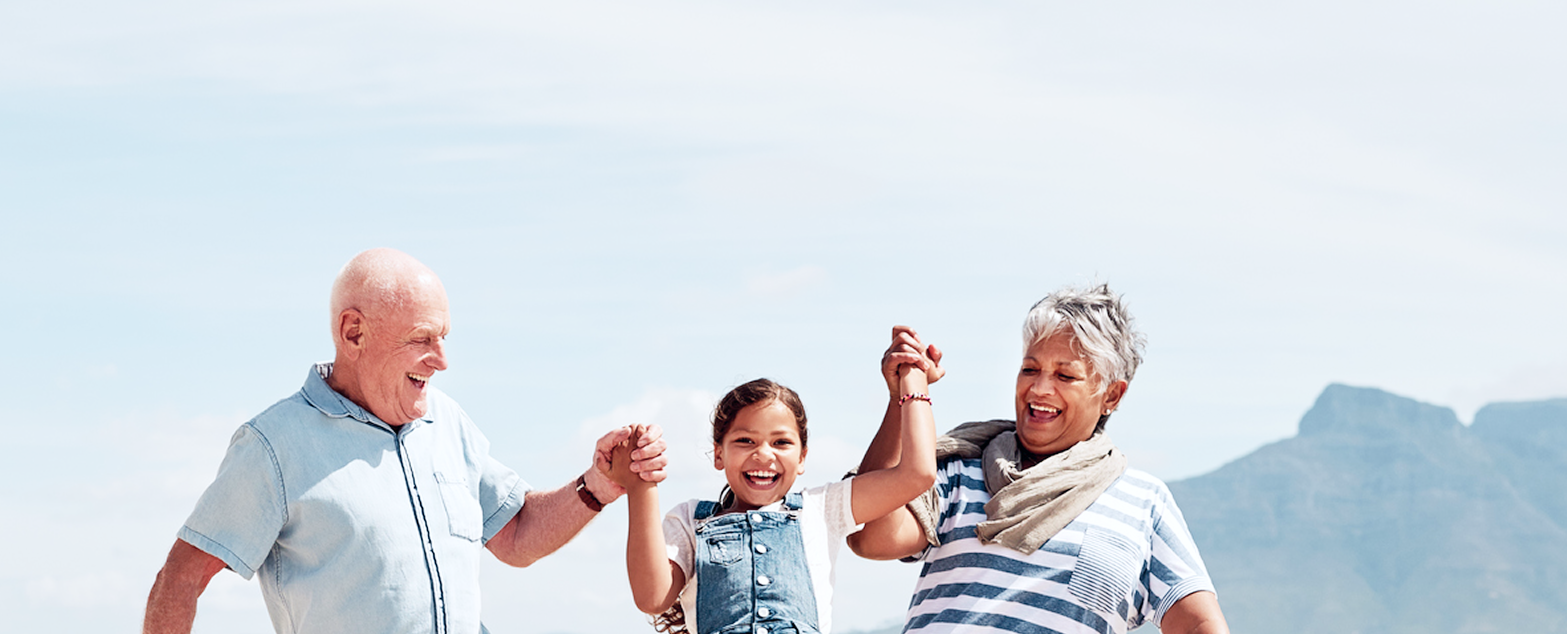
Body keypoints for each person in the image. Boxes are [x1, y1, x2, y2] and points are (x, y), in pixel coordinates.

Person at [142, 248, 673, 634]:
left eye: (444, 338)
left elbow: (516, 535)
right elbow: (181, 579)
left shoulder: (448, 422)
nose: (442, 360)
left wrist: (600, 484)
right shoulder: (274, 444)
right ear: (353, 333)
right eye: (422, 339)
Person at [845, 284, 1231, 634]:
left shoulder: (1145, 503)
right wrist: (906, 392)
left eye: (1066, 376)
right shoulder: (960, 469)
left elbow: (1198, 623)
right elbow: (872, 538)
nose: (1040, 388)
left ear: (1112, 395)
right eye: (1030, 368)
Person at [610, 342, 938, 634]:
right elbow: (653, 597)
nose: (763, 454)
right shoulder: (690, 521)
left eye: (781, 442)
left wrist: (910, 384)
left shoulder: (823, 508)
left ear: (802, 458)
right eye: (745, 441)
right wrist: (642, 484)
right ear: (718, 454)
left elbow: (917, 473)